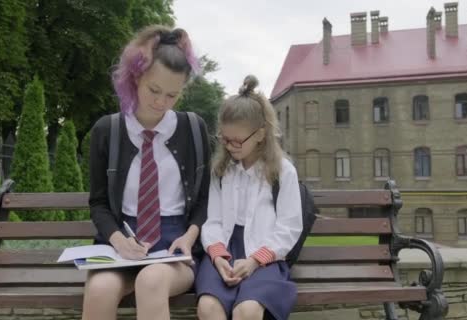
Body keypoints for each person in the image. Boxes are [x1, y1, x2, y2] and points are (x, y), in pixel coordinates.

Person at [83, 25, 210, 320]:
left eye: (172, 95)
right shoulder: (107, 130)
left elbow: (205, 200)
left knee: (151, 280)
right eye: (154, 90)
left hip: (175, 248)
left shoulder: (193, 129)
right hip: (121, 243)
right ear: (136, 76)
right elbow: (99, 203)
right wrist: (118, 240)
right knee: (100, 289)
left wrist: (190, 237)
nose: (161, 102)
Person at [195, 75, 303, 320]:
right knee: (208, 308)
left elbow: (289, 227)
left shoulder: (283, 171)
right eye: (224, 139)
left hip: (266, 255)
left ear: (260, 134)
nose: (230, 146)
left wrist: (255, 260)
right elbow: (212, 221)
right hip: (224, 250)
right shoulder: (221, 170)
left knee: (248, 310)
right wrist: (218, 257)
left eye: (236, 140)